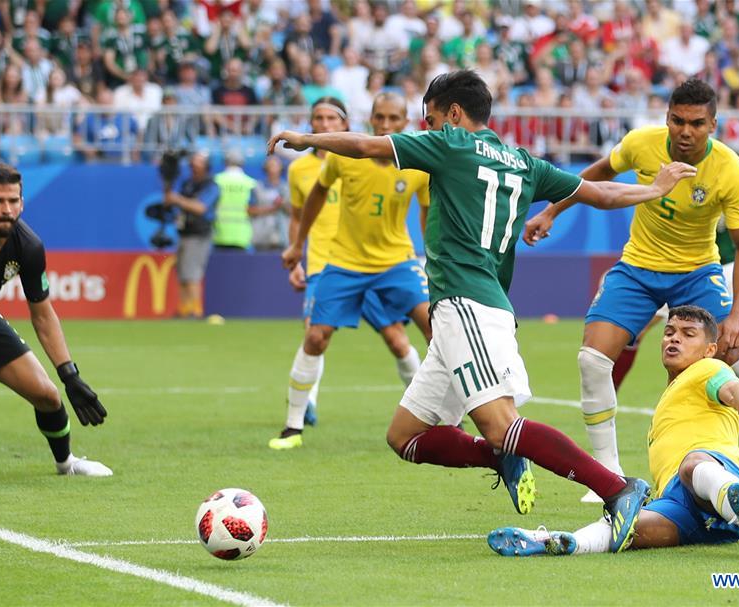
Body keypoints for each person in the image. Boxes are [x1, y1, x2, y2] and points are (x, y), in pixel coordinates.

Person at [268, 70, 698, 551]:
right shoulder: (523, 162)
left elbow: (368, 146)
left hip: (466, 304)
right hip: (468, 308)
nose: (426, 128)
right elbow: (599, 193)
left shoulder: (450, 144)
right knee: (405, 436)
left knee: (501, 424)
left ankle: (617, 489)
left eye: (430, 119)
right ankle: (500, 458)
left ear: (453, 114)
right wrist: (654, 189)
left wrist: (307, 138)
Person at [524, 78, 739, 502]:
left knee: (738, 360)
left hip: (697, 272)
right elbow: (597, 174)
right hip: (638, 268)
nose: (686, 131)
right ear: (667, 118)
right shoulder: (641, 144)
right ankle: (607, 474)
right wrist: (552, 210)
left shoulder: (728, 168)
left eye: (696, 123)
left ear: (713, 125)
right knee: (592, 360)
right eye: (678, 121)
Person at [487, 306, 739, 558]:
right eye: (669, 332)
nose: (674, 339)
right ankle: (559, 542)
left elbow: (733, 388)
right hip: (679, 504)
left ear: (710, 350)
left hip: (711, 475)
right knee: (625, 526)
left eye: (688, 334)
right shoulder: (673, 393)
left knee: (691, 464)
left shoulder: (709, 369)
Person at [272, 93, 433, 450]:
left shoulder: (419, 165)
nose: (386, 124)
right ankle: (293, 426)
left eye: (394, 118)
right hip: (343, 262)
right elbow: (315, 196)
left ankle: (445, 413)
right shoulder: (345, 156)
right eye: (380, 117)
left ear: (406, 122)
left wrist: (432, 257)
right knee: (316, 337)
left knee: (433, 329)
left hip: (397, 262)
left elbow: (427, 213)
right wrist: (297, 245)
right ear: (370, 119)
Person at [612, 178, 739, 419]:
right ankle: (610, 395)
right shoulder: (684, 197)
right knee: (637, 330)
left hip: (727, 268)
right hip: (683, 267)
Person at [0, 163, 112, 476]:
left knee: (47, 395)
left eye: (13, 201)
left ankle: (66, 464)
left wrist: (69, 375)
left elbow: (43, 315)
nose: (6, 209)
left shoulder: (28, 246)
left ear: (22, 203)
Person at [164, 151, 220, 318]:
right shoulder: (187, 183)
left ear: (206, 166)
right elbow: (172, 203)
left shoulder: (211, 185)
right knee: (182, 273)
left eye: (199, 162)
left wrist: (178, 200)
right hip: (184, 232)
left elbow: (201, 208)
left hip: (199, 234)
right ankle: (184, 309)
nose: (194, 164)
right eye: (193, 161)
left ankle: (196, 310)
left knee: (192, 273)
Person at [212, 149, 258, 251]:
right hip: (242, 236)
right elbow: (254, 210)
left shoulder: (216, 180)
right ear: (242, 163)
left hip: (218, 233)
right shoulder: (251, 183)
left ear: (225, 161)